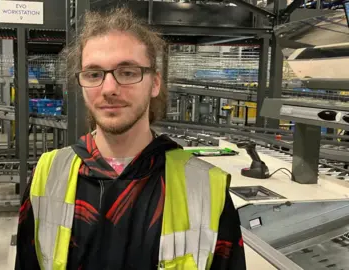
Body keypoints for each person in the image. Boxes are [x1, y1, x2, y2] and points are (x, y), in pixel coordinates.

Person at [15, 7, 246, 270]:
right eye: (93, 74)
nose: (109, 89)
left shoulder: (206, 187)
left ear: (155, 83)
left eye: (127, 72)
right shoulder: (47, 176)